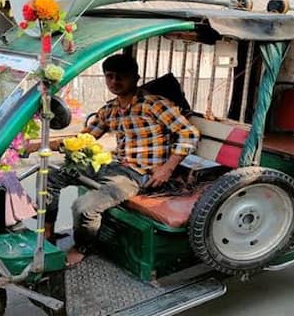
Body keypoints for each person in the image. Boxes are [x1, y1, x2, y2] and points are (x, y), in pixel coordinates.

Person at [45, 54, 200, 266]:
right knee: (49, 177)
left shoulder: (154, 105)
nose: (114, 82)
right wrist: (39, 145)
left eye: (121, 77)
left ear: (136, 78)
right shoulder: (110, 109)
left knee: (84, 206)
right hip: (112, 165)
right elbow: (83, 140)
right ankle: (47, 234)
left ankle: (82, 247)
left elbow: (189, 133)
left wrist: (167, 168)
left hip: (139, 175)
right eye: (109, 77)